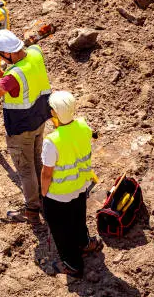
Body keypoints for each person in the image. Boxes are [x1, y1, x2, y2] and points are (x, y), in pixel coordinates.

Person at [0, 29, 51, 224]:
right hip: (39, 120)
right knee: (37, 161)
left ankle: (31, 211)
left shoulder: (13, 76)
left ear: (8, 53)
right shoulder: (35, 53)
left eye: (0, 55)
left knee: (26, 170)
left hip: (21, 129)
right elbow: (25, 75)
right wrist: (3, 73)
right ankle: (45, 199)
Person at [41, 91, 103, 278]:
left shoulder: (52, 141)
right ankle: (84, 243)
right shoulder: (84, 126)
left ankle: (72, 264)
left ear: (54, 113)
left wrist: (43, 193)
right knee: (78, 218)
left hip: (58, 194)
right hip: (80, 186)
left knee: (61, 230)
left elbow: (47, 173)